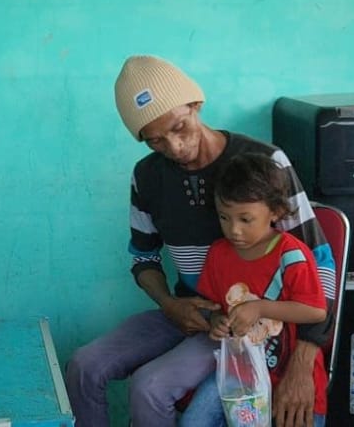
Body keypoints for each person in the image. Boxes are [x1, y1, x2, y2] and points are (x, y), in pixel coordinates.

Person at [65, 55, 336, 427]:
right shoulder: (147, 176)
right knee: (84, 365)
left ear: (195, 104)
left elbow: (320, 264)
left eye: (179, 127)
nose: (174, 146)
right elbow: (144, 259)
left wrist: (303, 362)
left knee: (150, 387)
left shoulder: (263, 163)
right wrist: (169, 304)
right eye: (155, 140)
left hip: (243, 321)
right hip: (187, 309)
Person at [181, 152, 329, 427]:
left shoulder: (291, 255)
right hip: (238, 374)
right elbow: (212, 306)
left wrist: (259, 307)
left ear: (275, 212)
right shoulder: (219, 254)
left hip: (287, 374)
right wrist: (216, 321)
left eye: (245, 219)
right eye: (224, 217)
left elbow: (316, 311)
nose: (234, 230)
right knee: (193, 421)